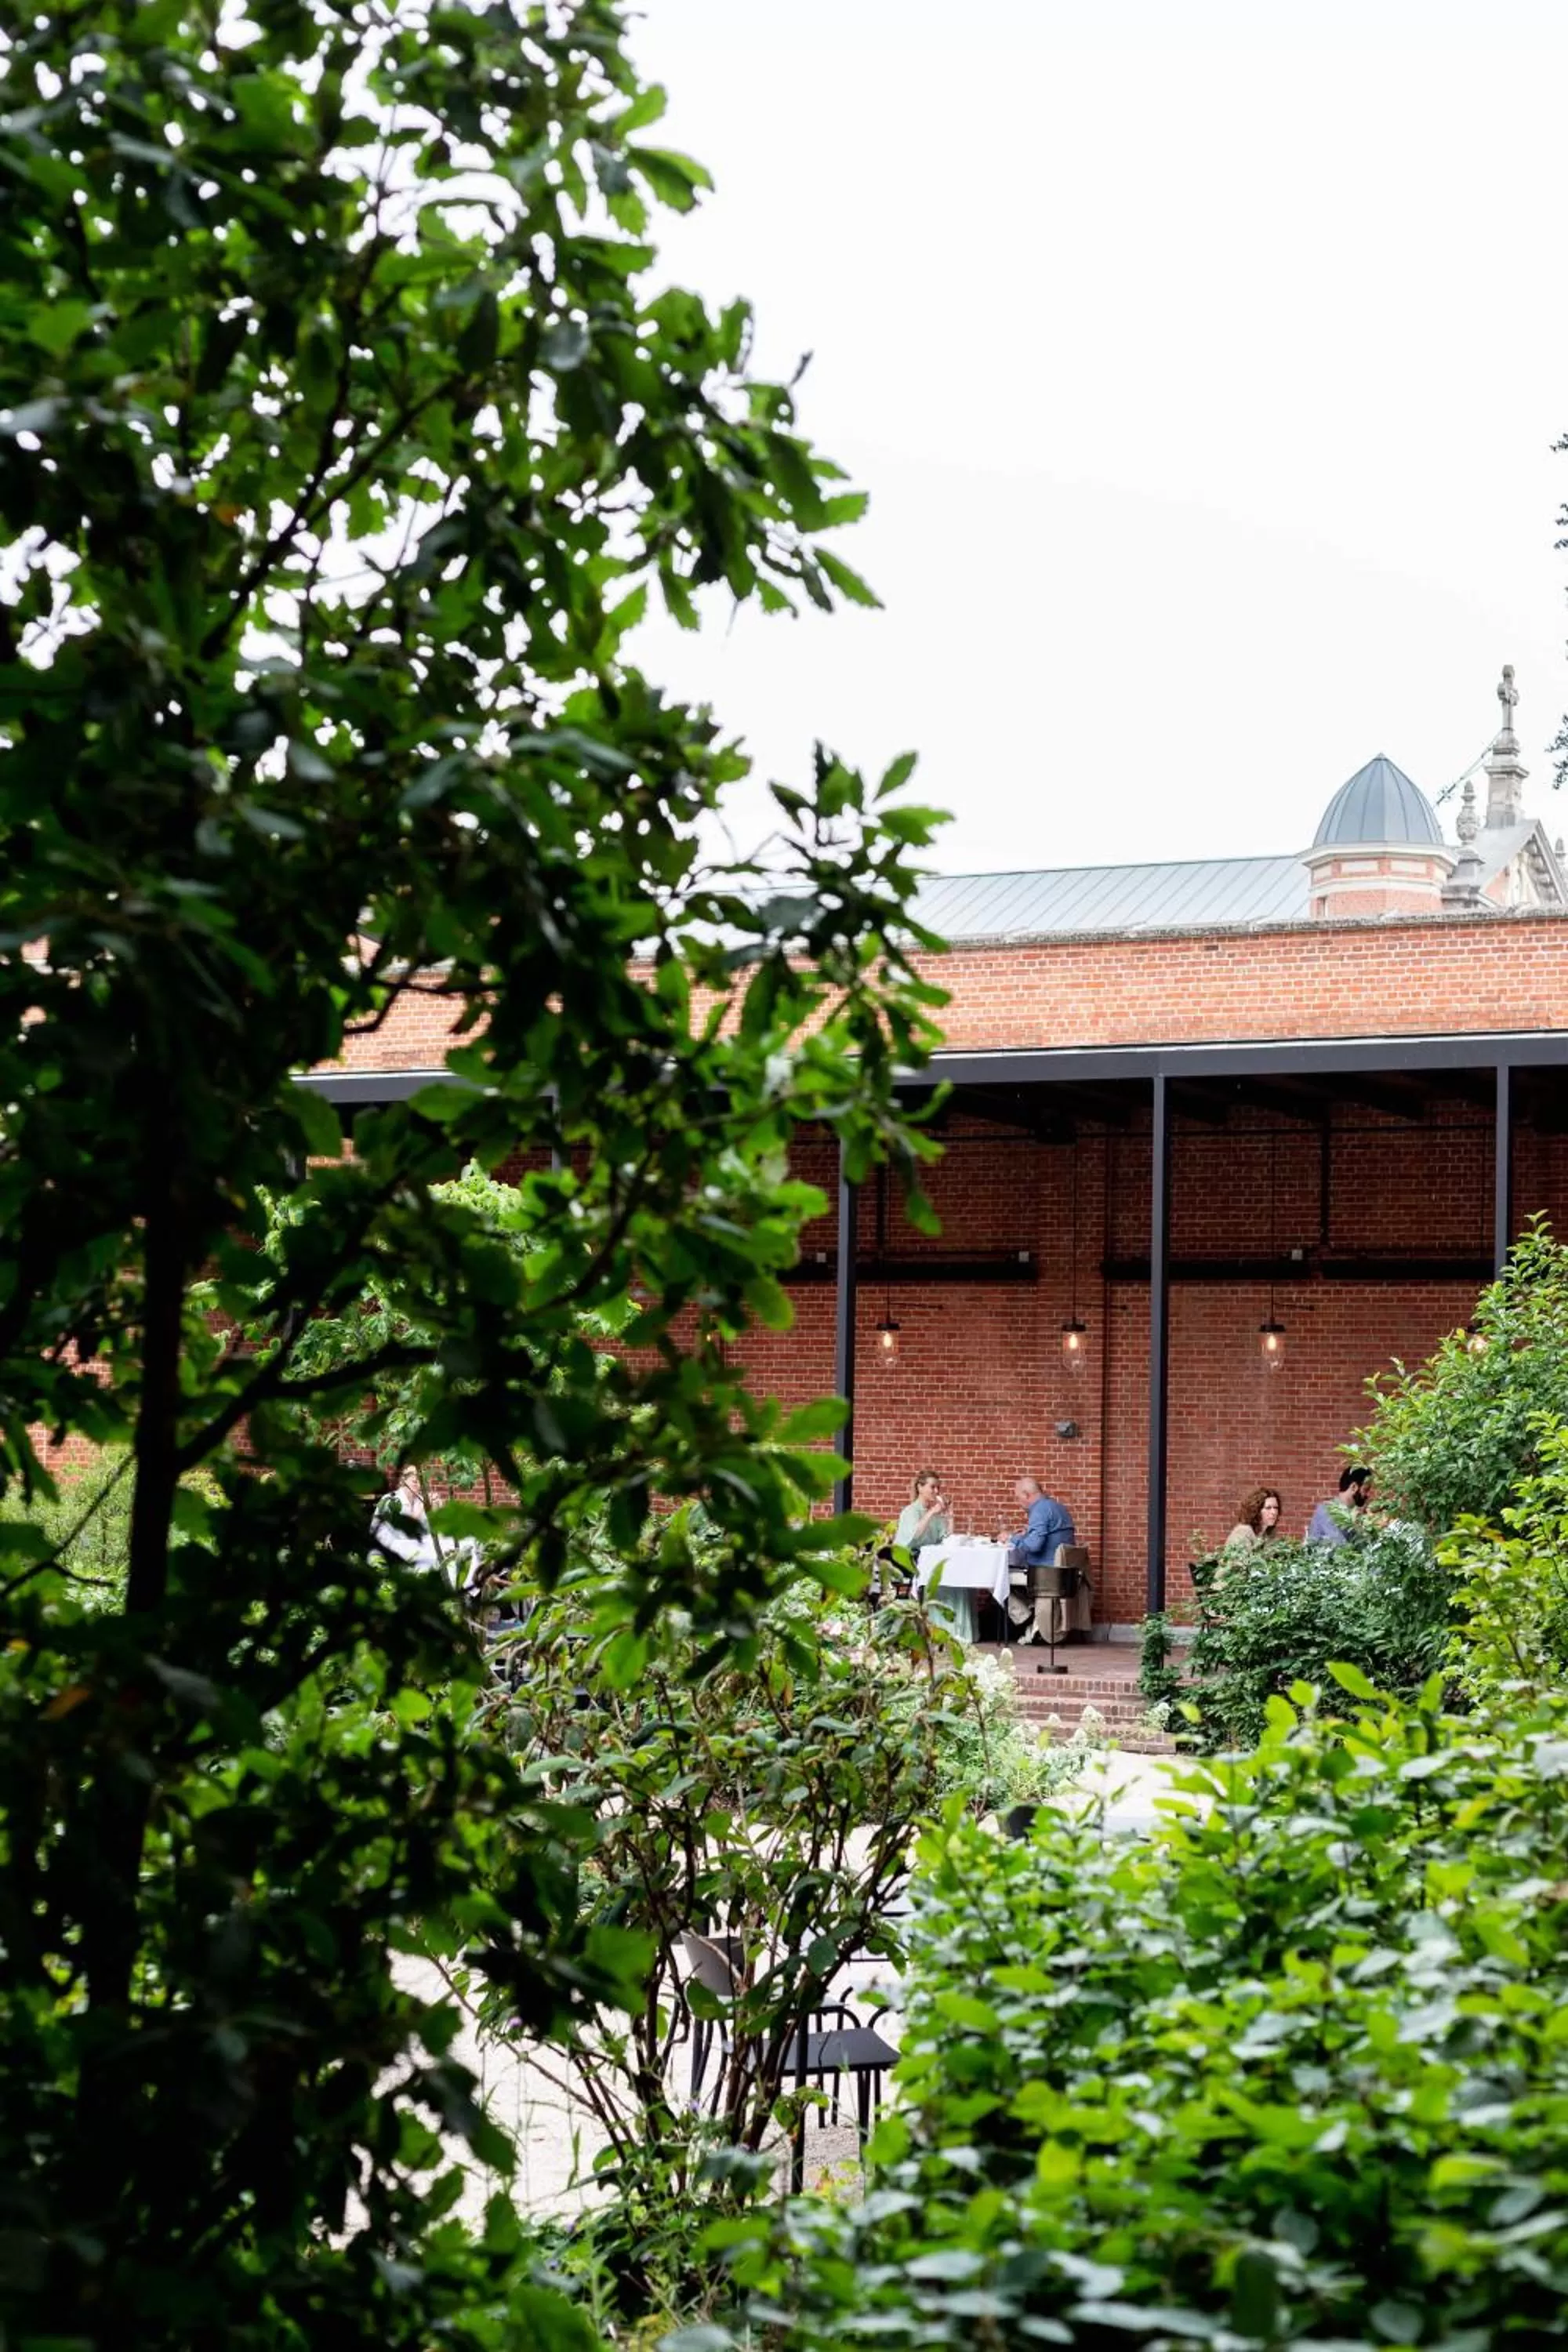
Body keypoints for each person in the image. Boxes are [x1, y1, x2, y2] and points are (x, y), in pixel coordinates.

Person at [895, 1470, 972, 1642]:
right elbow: (914, 1535)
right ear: (920, 1487)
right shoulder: (911, 1511)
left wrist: (950, 1515)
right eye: (932, 1487)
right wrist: (932, 1513)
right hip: (905, 1561)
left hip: (926, 1561)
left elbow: (946, 1537)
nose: (936, 1491)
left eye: (938, 1488)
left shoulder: (934, 1514)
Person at [1000, 1475, 1076, 1644]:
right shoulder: (1057, 1507)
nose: (1018, 1502)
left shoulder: (1039, 1510)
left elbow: (1035, 1546)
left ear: (1027, 1495)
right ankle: (1031, 1615)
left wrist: (1012, 1538)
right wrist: (1028, 1534)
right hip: (1062, 1570)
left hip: (1045, 1573)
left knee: (996, 1579)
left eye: (1018, 1497)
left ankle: (1024, 1617)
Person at [1308, 1464, 1372, 1547]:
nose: (1367, 1495)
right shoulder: (1326, 1511)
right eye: (1366, 1490)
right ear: (1354, 1487)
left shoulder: (1350, 1513)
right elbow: (1343, 1550)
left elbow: (1362, 1547)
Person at [1224, 1486, 1283, 1558]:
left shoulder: (1269, 1532)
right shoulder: (1243, 1532)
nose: (1274, 1512)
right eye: (1268, 1508)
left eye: (1276, 1508)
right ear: (1256, 1511)